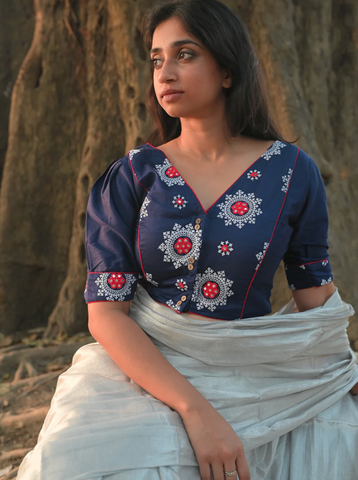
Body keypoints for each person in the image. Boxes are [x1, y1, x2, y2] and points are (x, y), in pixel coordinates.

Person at [16, 1, 358, 479]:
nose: (166, 72)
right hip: (144, 373)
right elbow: (106, 314)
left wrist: (343, 369)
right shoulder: (133, 175)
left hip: (252, 371)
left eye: (186, 54)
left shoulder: (291, 172)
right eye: (157, 59)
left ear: (227, 70)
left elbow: (314, 294)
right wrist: (194, 411)